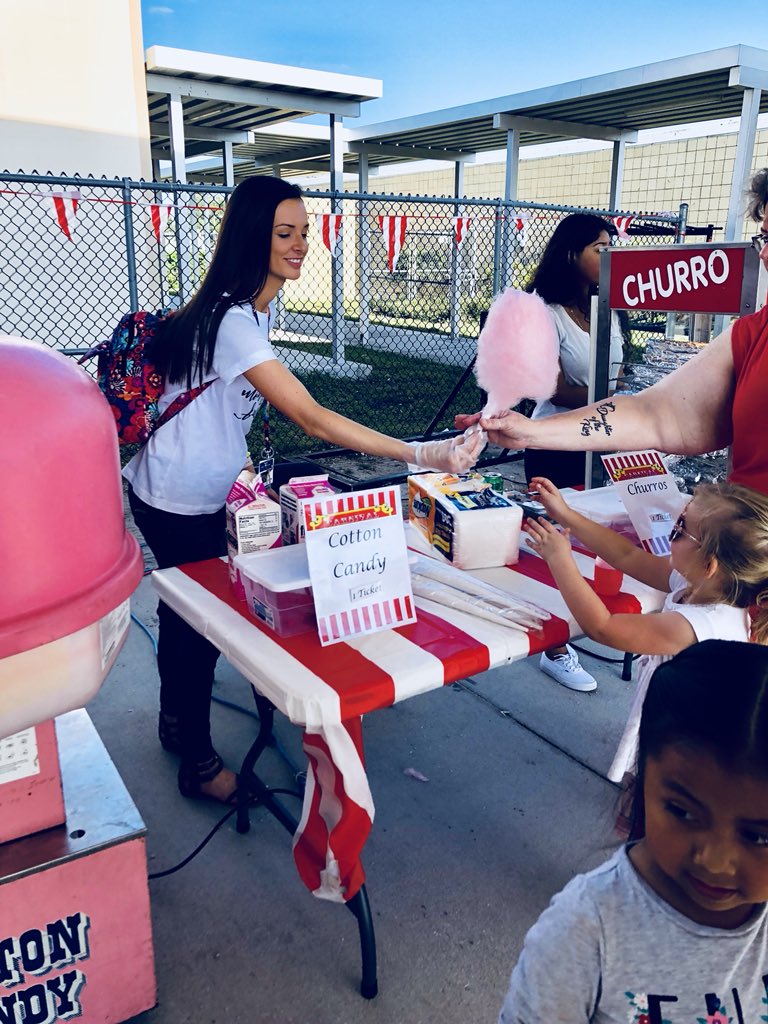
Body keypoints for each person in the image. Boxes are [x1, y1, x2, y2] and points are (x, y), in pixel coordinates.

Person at [124, 175, 486, 805]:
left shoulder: (248, 309)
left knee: (183, 615)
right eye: (284, 234)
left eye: (304, 232)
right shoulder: (235, 319)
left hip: (186, 486)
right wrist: (418, 452)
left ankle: (177, 726)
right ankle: (200, 766)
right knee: (197, 625)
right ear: (251, 240)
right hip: (178, 495)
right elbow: (312, 417)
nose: (301, 246)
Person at [498, 639, 768, 1023]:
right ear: (640, 780)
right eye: (682, 811)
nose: (715, 861)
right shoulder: (584, 931)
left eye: (759, 837)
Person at [460, 167, 768, 495]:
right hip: (748, 533)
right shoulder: (750, 333)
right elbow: (656, 413)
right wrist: (529, 432)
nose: (763, 254)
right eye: (763, 236)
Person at [522, 476, 768, 775]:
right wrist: (565, 512)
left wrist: (559, 558)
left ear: (709, 565)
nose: (670, 532)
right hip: (676, 716)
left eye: (679, 530)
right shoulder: (700, 583)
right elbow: (628, 555)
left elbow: (604, 627)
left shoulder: (697, 626)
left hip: (687, 743)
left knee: (646, 798)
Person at [522, 214, 626, 692]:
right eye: (599, 248)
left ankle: (587, 620)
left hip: (607, 438)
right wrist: (610, 400)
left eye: (611, 246)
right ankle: (554, 649)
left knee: (597, 538)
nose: (608, 256)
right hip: (557, 442)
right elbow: (549, 385)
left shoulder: (608, 307)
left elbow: (618, 372)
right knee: (554, 545)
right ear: (571, 255)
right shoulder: (544, 312)